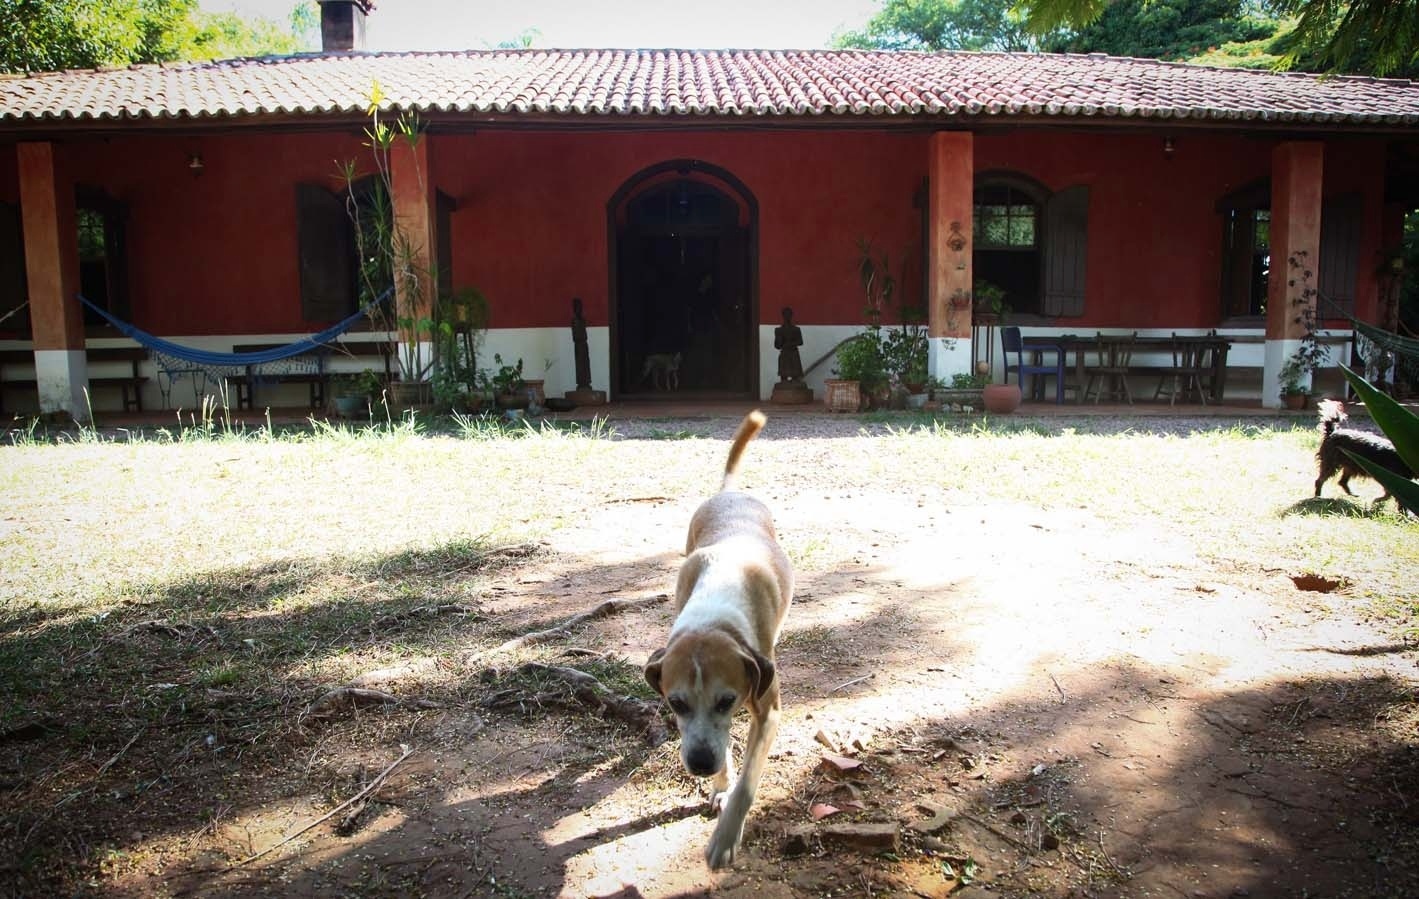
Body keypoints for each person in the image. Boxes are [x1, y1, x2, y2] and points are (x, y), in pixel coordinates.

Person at [774, 306, 804, 383]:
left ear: (791, 316)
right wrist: (779, 340)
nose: (787, 317)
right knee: (783, 377)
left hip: (794, 353)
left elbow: (800, 342)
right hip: (784, 353)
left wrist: (790, 344)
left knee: (796, 378)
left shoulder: (796, 329)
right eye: (785, 315)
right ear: (783, 316)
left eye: (789, 315)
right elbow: (777, 346)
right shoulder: (778, 330)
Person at [571, 297, 591, 390]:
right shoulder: (574, 320)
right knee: (580, 365)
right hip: (579, 345)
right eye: (577, 307)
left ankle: (586, 382)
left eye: (580, 307)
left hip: (584, 344)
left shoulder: (582, 320)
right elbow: (576, 336)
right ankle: (582, 383)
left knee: (586, 364)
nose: (579, 309)